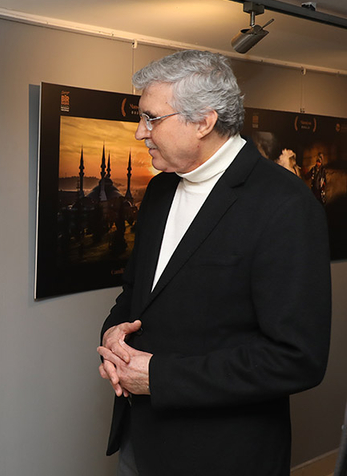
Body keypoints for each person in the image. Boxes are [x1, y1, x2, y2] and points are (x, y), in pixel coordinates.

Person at [97, 50, 331, 476]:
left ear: (203, 122)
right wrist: (113, 334)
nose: (139, 132)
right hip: (139, 439)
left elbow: (298, 359)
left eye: (151, 118)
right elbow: (135, 294)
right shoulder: (160, 191)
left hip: (222, 454)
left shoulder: (285, 204)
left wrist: (160, 377)